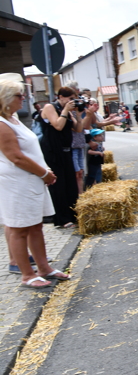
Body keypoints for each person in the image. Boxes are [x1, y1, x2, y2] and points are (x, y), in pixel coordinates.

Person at [0, 73, 70, 288]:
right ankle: (27, 275)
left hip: (31, 181)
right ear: (5, 98)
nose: (23, 99)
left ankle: (44, 268)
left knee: (35, 226)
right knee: (20, 228)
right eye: (19, 95)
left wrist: (42, 171)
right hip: (17, 183)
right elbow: (16, 157)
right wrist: (44, 173)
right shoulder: (2, 124)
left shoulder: (13, 119)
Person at [40, 86, 83, 228]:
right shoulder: (49, 107)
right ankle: (62, 219)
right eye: (70, 99)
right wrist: (65, 111)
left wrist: (77, 113)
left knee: (70, 184)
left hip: (66, 151)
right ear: (61, 97)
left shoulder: (68, 111)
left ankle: (73, 215)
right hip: (53, 151)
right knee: (59, 185)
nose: (72, 102)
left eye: (74, 99)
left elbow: (78, 129)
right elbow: (57, 125)